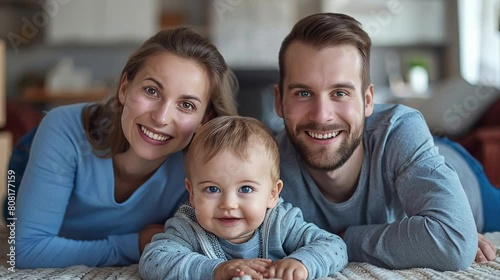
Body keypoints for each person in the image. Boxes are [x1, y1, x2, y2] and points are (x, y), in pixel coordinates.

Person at [273, 12, 497, 271]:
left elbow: (452, 243)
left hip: (465, 178)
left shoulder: (400, 129)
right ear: (279, 101)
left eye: (340, 92)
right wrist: (418, 240)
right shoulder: (269, 164)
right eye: (303, 93)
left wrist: (344, 239)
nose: (322, 115)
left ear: (368, 100)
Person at [14, 27, 238, 268]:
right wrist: (137, 244)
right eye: (151, 91)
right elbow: (27, 251)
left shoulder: (203, 168)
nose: (161, 118)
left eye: (186, 105)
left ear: (204, 119)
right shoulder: (64, 127)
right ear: (124, 88)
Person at [139, 116, 348, 280]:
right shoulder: (189, 227)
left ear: (272, 194)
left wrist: (302, 263)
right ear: (192, 193)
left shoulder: (280, 222)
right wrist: (215, 270)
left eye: (246, 189)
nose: (228, 204)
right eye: (212, 189)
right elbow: (152, 261)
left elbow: (334, 245)